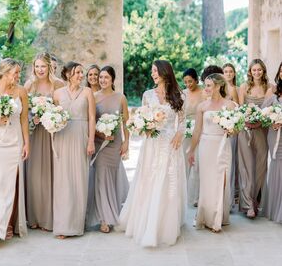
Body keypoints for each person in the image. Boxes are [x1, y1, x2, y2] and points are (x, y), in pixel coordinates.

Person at [119, 60, 187, 247]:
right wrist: (145, 128)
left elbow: (183, 121)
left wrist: (179, 135)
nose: (152, 74)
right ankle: (147, 219)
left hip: (170, 143)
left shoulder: (179, 95)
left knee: (168, 180)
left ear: (165, 72)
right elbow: (140, 118)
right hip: (152, 144)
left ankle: (165, 223)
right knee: (149, 179)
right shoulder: (147, 95)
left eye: (155, 71)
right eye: (152, 72)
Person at [0, 58, 30, 242]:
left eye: (19, 72)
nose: (18, 76)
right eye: (15, 72)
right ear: (4, 72)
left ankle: (5, 226)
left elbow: (24, 119)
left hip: (16, 140)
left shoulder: (21, 91)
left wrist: (27, 143)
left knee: (10, 183)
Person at [52, 61, 96, 238]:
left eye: (82, 73)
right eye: (77, 72)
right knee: (63, 181)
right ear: (68, 73)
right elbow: (52, 116)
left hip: (81, 137)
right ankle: (62, 225)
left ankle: (77, 225)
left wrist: (91, 141)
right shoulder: (57, 93)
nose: (81, 76)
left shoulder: (87, 92)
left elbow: (92, 117)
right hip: (62, 137)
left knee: (79, 179)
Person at [188, 73, 236, 232]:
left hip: (222, 144)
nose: (206, 88)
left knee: (221, 180)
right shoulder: (202, 106)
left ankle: (217, 217)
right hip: (206, 145)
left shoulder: (230, 105)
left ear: (218, 86)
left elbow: (236, 130)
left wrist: (231, 128)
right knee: (207, 181)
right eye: (206, 85)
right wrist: (191, 150)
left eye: (208, 85)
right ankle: (204, 215)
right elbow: (197, 130)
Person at [24, 52, 64, 231]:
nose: (40, 70)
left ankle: (48, 218)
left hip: (51, 134)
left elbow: (63, 110)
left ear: (49, 67)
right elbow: (23, 113)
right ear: (33, 67)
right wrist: (34, 119)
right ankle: (33, 216)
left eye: (43, 66)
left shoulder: (58, 84)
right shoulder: (29, 85)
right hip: (34, 134)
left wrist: (50, 117)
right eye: (37, 66)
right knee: (34, 174)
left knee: (50, 174)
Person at [87, 66, 129, 234]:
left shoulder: (121, 98)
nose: (102, 80)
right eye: (101, 77)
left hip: (115, 143)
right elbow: (90, 121)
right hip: (100, 144)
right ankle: (105, 218)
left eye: (106, 77)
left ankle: (112, 211)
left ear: (112, 79)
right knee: (101, 179)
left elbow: (125, 122)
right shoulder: (93, 97)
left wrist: (126, 142)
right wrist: (100, 134)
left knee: (111, 178)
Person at [238, 59, 273, 218]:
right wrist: (246, 120)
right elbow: (240, 109)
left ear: (263, 71)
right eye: (254, 70)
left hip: (261, 130)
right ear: (250, 72)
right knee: (246, 166)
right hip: (245, 130)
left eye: (259, 70)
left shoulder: (269, 88)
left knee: (260, 165)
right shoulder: (244, 87)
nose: (257, 73)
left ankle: (254, 198)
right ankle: (247, 204)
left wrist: (258, 121)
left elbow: (269, 111)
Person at [263, 62, 282, 223]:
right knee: (277, 166)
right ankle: (276, 209)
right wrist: (272, 121)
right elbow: (263, 113)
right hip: (275, 135)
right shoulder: (274, 92)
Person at [182, 68, 204, 207]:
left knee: (197, 162)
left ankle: (197, 196)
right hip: (185, 132)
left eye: (190, 81)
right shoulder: (182, 94)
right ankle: (183, 193)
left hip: (200, 131)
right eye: (185, 82)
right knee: (185, 162)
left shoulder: (203, 93)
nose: (188, 84)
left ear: (196, 80)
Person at [223, 62, 239, 209]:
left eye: (230, 72)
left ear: (234, 74)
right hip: (218, 128)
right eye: (225, 71)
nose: (228, 74)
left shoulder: (233, 90)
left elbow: (237, 109)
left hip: (230, 130)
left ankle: (229, 199)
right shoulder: (219, 88)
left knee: (230, 162)